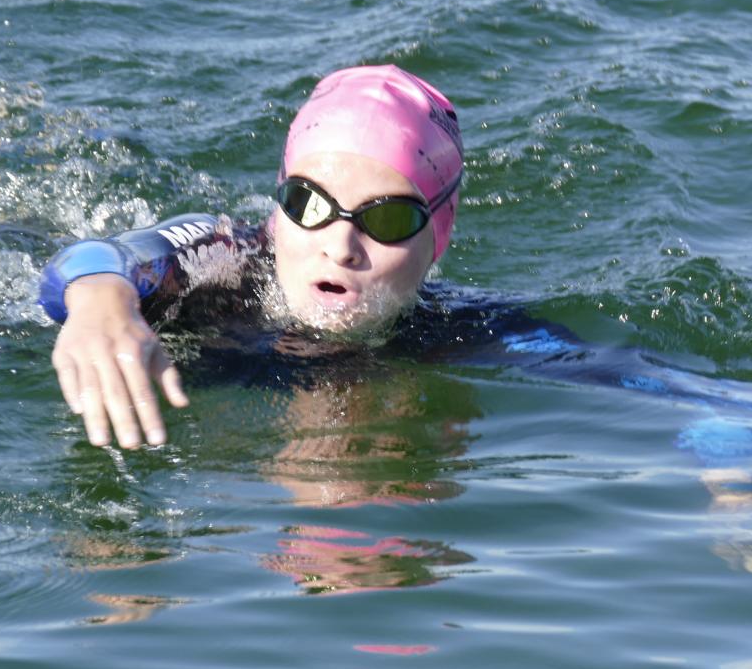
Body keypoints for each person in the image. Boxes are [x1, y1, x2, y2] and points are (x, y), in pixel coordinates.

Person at [40, 64, 464, 449]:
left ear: (438, 238)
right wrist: (101, 306)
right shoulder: (221, 264)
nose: (339, 248)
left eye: (388, 219)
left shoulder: (459, 334)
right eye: (307, 202)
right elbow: (106, 258)